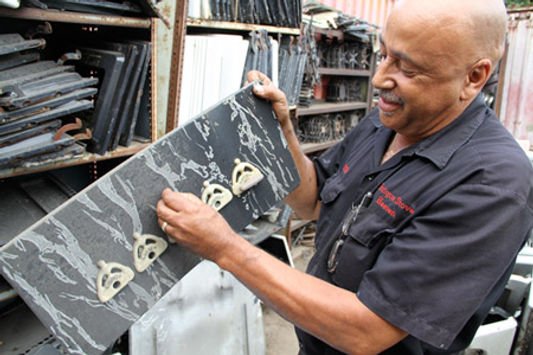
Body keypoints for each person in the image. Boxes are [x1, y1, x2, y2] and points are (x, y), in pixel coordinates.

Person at [156, 0, 533, 353]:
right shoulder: (387, 122)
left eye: (407, 68)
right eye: (384, 54)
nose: (380, 78)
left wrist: (224, 247)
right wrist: (280, 135)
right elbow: (313, 200)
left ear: (474, 76)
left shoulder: (492, 184)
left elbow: (367, 330)